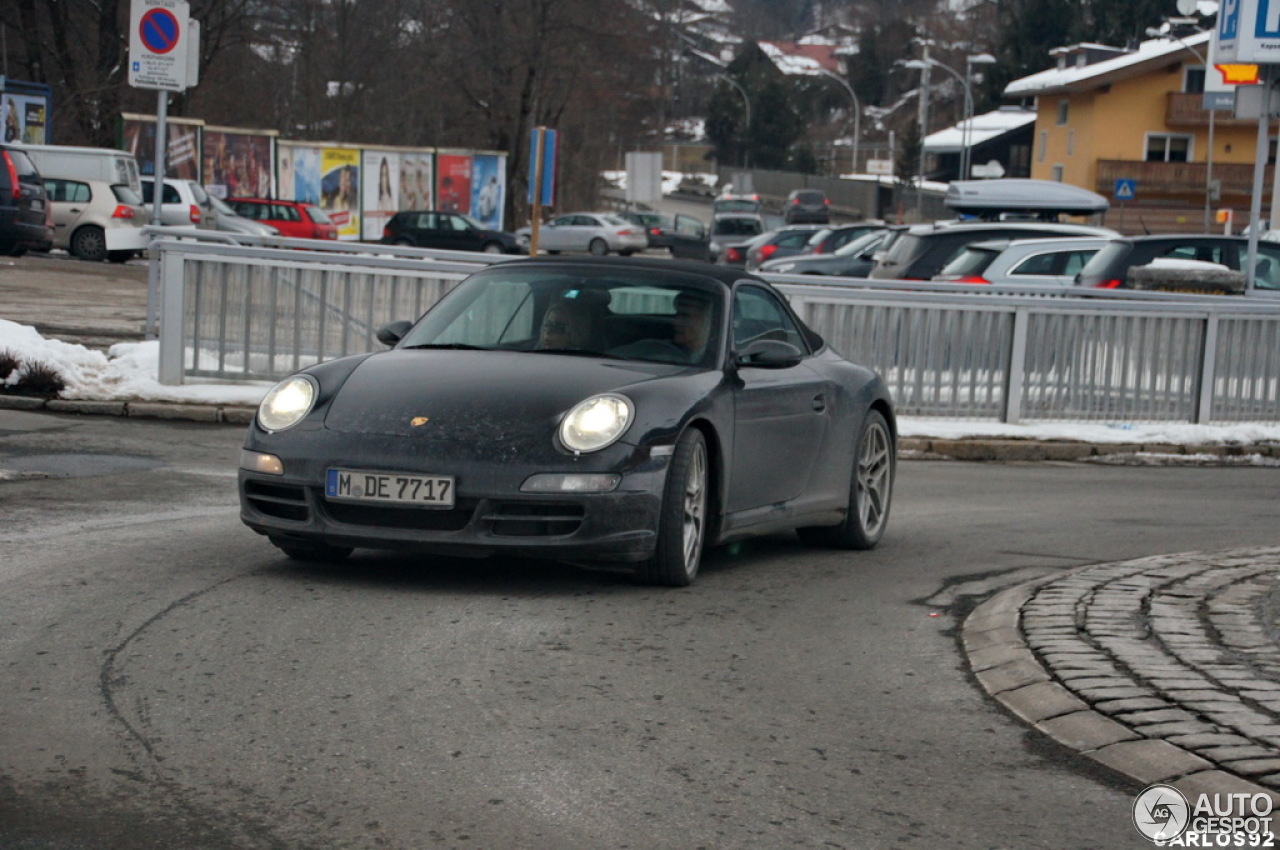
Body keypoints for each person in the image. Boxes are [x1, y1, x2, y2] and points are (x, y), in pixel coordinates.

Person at [611, 289, 715, 364]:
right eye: (677, 315)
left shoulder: (719, 359)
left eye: (686, 317)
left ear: (708, 321)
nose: (676, 322)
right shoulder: (652, 348)